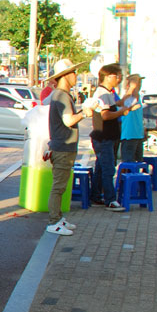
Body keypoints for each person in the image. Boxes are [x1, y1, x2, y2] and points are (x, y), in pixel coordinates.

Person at [44, 59, 95, 236]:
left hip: (63, 146)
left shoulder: (61, 94)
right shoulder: (62, 95)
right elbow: (68, 120)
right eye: (73, 73)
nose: (76, 76)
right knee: (58, 187)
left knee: (61, 186)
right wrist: (84, 113)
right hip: (62, 147)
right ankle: (53, 221)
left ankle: (57, 218)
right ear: (64, 76)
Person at [88, 64, 127, 211]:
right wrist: (121, 112)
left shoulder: (107, 93)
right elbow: (105, 115)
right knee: (108, 168)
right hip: (103, 137)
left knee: (100, 168)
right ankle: (110, 199)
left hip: (105, 137)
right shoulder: (103, 94)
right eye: (117, 76)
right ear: (108, 76)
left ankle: (96, 196)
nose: (119, 79)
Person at [119, 74, 145, 163]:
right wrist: (131, 88)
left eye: (139, 82)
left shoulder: (138, 97)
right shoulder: (128, 97)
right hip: (129, 135)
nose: (139, 85)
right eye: (137, 82)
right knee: (128, 162)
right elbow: (123, 106)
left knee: (138, 162)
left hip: (138, 135)